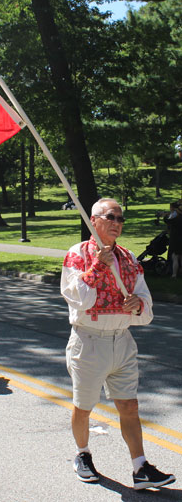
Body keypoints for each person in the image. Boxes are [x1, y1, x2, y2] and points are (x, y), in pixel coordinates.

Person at [61, 198, 176, 490]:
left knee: (129, 405)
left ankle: (140, 467)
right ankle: (82, 454)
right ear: (94, 220)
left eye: (121, 218)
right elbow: (79, 300)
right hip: (89, 342)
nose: (117, 223)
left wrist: (137, 304)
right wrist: (98, 266)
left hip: (122, 342)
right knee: (84, 406)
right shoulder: (77, 254)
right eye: (111, 216)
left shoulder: (128, 258)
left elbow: (145, 309)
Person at [165, 202, 182, 278]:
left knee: (175, 257)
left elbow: (167, 221)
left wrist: (165, 216)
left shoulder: (177, 219)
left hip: (176, 240)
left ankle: (174, 274)